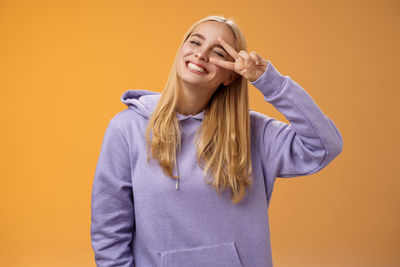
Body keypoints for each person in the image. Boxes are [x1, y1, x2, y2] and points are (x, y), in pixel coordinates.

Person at [90, 15, 343, 267]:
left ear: (231, 76)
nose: (201, 54)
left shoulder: (252, 132)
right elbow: (109, 231)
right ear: (181, 50)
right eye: (196, 42)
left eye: (218, 52)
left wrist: (268, 81)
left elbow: (325, 145)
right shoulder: (127, 129)